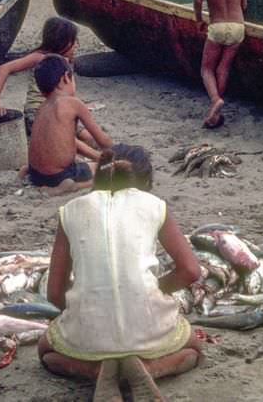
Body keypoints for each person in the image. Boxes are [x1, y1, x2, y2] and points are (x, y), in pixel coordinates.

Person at [38, 145, 203, 402]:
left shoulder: (70, 210)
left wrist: (81, 312)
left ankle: (98, 370)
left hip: (89, 333)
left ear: (99, 175)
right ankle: (147, 368)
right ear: (146, 182)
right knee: (192, 349)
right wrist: (157, 290)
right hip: (149, 327)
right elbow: (191, 271)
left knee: (47, 352)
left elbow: (54, 292)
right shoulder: (155, 205)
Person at [0, 16, 98, 157]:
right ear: (60, 41)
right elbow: (4, 68)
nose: (76, 45)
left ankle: (99, 155)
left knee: (88, 137)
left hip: (62, 112)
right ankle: (96, 158)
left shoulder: (67, 61)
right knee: (65, 140)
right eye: (73, 41)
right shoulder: (41, 58)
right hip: (38, 113)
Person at [194, 0, 256, 128]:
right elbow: (243, 5)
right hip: (238, 27)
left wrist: (199, 20)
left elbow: (197, 1)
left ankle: (215, 100)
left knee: (206, 69)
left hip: (217, 26)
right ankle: (216, 112)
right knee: (223, 68)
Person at [27, 54, 113, 195]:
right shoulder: (73, 103)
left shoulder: (42, 107)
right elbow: (103, 141)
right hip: (60, 177)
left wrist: (96, 155)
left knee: (78, 159)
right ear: (66, 77)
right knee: (110, 168)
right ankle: (74, 186)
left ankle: (27, 171)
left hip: (36, 174)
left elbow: (63, 141)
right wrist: (112, 150)